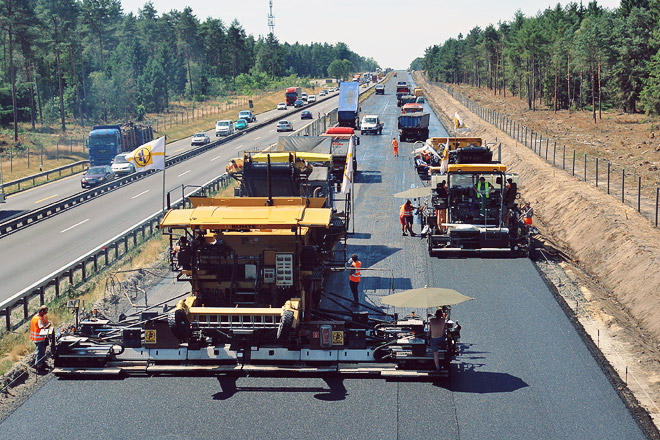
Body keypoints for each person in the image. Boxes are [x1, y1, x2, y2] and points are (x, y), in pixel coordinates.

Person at [30, 305, 51, 372]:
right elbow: (42, 328)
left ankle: (42, 363)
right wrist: (48, 325)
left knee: (43, 351)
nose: (46, 313)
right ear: (41, 311)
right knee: (40, 353)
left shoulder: (43, 316)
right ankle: (38, 367)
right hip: (39, 338)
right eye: (45, 311)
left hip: (43, 337)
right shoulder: (38, 319)